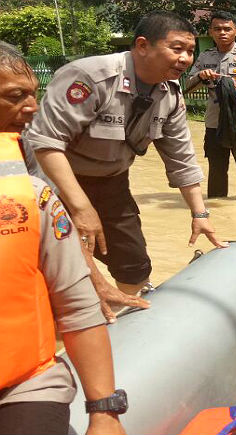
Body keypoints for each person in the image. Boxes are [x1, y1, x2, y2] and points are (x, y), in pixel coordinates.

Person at [23, 11, 227, 322]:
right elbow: (46, 143)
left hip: (112, 181)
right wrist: (80, 208)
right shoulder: (90, 77)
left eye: (190, 51)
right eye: (177, 49)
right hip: (53, 182)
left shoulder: (169, 94)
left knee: (134, 266)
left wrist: (200, 214)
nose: (186, 59)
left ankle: (120, 327)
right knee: (66, 269)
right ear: (142, 45)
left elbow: (181, 158)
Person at [0, 44, 125, 435]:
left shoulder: (29, 192)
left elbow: (74, 299)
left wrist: (104, 411)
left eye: (32, 94)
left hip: (23, 383)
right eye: (15, 96)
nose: (33, 107)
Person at [187, 11, 236, 200]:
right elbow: (188, 86)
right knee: (217, 168)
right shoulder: (205, 57)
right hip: (214, 122)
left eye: (227, 29)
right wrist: (200, 77)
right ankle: (218, 208)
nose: (222, 33)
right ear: (211, 32)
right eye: (217, 29)